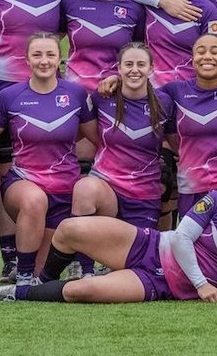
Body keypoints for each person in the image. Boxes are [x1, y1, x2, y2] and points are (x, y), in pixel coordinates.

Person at [0, 170, 217, 303]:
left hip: (164, 283)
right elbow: (181, 238)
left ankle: (16, 294)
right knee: (70, 229)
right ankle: (38, 284)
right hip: (152, 245)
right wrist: (202, 284)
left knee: (80, 291)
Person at [0, 0, 70, 282]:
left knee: (56, 166)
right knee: (7, 174)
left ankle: (60, 250)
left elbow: (66, 28)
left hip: (47, 88)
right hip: (4, 87)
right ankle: (9, 255)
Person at [0, 32, 96, 285]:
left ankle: (79, 267)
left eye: (50, 54)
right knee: (34, 199)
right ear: (26, 59)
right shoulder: (9, 96)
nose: (44, 61)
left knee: (45, 276)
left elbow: (98, 138)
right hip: (24, 183)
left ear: (60, 58)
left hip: (65, 189)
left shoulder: (76, 94)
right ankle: (23, 277)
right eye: (37, 54)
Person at [71, 43, 174, 276]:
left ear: (151, 69)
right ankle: (82, 269)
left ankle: (110, 264)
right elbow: (87, 133)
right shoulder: (103, 96)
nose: (134, 70)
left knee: (135, 269)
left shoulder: (165, 102)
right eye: (128, 64)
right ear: (118, 68)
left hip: (144, 192)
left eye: (140, 64)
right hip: (108, 187)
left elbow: (175, 141)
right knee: (85, 188)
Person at [63, 0, 145, 93]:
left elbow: (141, 52)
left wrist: (121, 79)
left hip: (116, 92)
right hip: (76, 93)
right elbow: (52, 37)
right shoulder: (71, 0)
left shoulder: (134, 7)